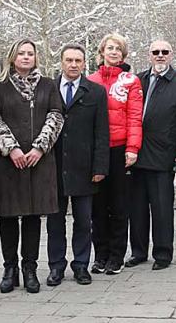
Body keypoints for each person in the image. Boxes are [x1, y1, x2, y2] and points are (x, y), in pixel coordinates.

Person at [0, 38, 64, 294]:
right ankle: (10, 268)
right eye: (21, 53)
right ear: (12, 57)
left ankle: (30, 267)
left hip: (38, 160)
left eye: (30, 53)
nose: (26, 57)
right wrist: (12, 148)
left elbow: (56, 116)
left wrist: (40, 147)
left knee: (32, 215)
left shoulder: (48, 85)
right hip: (8, 162)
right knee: (8, 215)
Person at [125, 40, 176, 270]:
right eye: (156, 52)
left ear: (171, 54)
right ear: (149, 55)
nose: (160, 55)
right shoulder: (138, 80)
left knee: (162, 208)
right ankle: (138, 251)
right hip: (136, 153)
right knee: (136, 208)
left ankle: (163, 254)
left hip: (163, 155)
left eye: (165, 52)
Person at [46, 44, 109, 287]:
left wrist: (100, 167)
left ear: (85, 63)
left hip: (85, 168)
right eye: (69, 60)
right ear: (61, 62)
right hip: (54, 167)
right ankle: (56, 266)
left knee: (83, 220)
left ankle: (81, 265)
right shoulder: (48, 88)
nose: (73, 65)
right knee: (54, 220)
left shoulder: (95, 92)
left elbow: (101, 132)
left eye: (78, 61)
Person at [87, 33, 143, 275]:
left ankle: (116, 256)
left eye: (118, 49)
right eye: (110, 48)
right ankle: (100, 254)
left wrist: (132, 148)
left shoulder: (131, 81)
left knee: (119, 206)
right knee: (97, 207)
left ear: (123, 54)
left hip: (120, 150)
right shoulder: (89, 80)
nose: (113, 52)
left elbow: (134, 117)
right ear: (101, 52)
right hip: (95, 151)